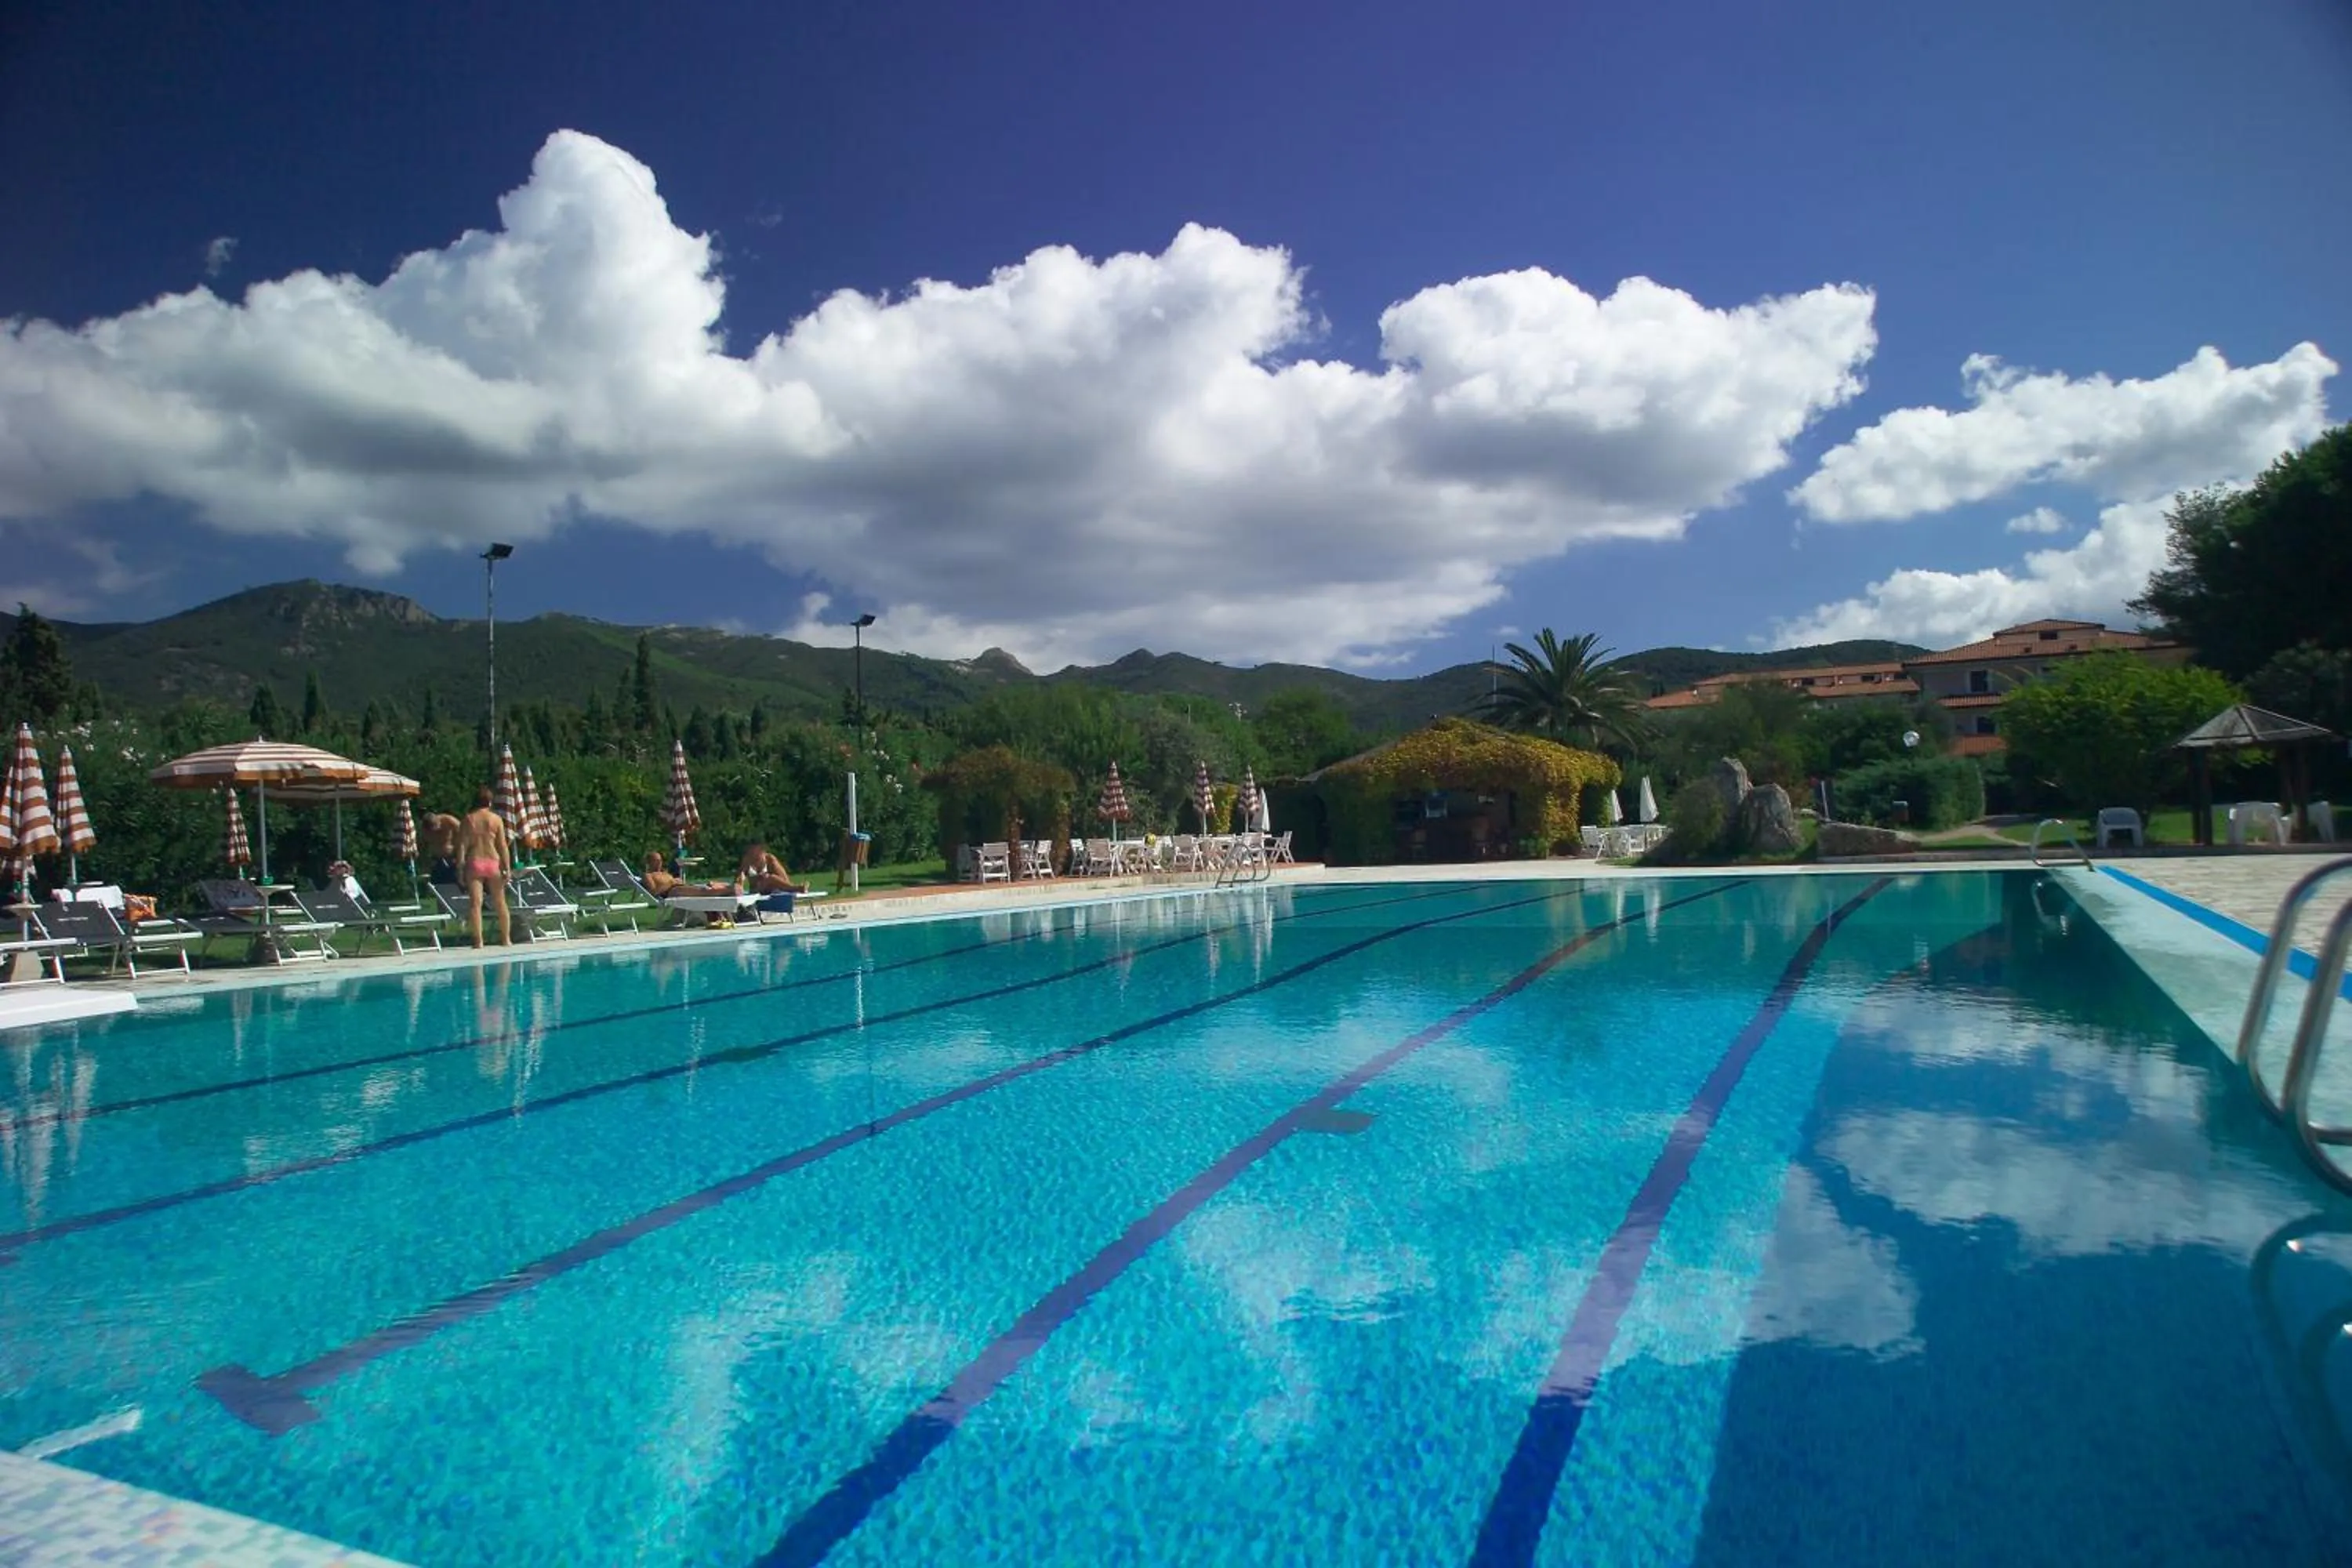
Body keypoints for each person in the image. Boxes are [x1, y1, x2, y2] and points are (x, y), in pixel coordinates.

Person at [459, 786, 512, 948]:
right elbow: (503, 846)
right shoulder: (496, 819)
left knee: (476, 904)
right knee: (500, 902)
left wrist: (460, 868)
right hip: (493, 861)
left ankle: (479, 941)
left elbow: (462, 846)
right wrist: (507, 867)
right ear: (490, 801)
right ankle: (506, 939)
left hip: (475, 861)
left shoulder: (469, 819)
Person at [641, 851, 733, 899]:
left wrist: (677, 881)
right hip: (671, 892)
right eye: (656, 861)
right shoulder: (648, 876)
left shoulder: (664, 872)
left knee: (708, 885)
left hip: (679, 887)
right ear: (649, 862)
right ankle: (728, 890)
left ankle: (728, 887)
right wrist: (671, 882)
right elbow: (653, 892)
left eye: (660, 860)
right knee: (704, 891)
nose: (659, 863)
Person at [737, 841, 806, 895]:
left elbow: (785, 879)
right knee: (770, 878)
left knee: (770, 878)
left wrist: (766, 877)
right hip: (756, 890)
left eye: (757, 852)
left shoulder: (770, 860)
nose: (754, 855)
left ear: (763, 851)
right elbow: (738, 880)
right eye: (752, 852)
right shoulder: (747, 861)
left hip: (771, 889)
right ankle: (796, 888)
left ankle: (795, 888)